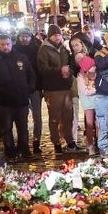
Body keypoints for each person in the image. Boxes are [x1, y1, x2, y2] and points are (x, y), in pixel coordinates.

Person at [0, 34, 35, 159]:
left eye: (7, 44)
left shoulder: (21, 57)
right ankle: (10, 151)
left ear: (11, 43)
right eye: (2, 44)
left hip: (21, 100)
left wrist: (28, 89)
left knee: (23, 127)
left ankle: (24, 150)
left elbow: (31, 75)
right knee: (6, 128)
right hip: (4, 102)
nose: (5, 47)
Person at [37, 24, 76, 154]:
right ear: (50, 36)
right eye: (55, 35)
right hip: (52, 88)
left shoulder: (64, 48)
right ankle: (57, 143)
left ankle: (70, 141)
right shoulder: (44, 49)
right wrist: (59, 71)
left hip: (65, 87)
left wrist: (68, 71)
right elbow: (42, 69)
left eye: (59, 35)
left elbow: (69, 63)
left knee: (68, 116)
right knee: (55, 118)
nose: (58, 37)